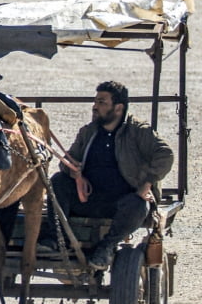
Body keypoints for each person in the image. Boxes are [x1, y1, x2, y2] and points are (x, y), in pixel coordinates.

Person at [51, 81, 174, 270]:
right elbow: (66, 161)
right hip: (89, 200)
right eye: (95, 101)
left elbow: (165, 155)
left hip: (122, 205)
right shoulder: (88, 132)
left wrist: (147, 183)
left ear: (118, 108)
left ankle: (106, 247)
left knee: (139, 205)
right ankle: (56, 241)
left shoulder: (137, 130)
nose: (95, 106)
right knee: (57, 181)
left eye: (101, 102)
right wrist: (73, 171)